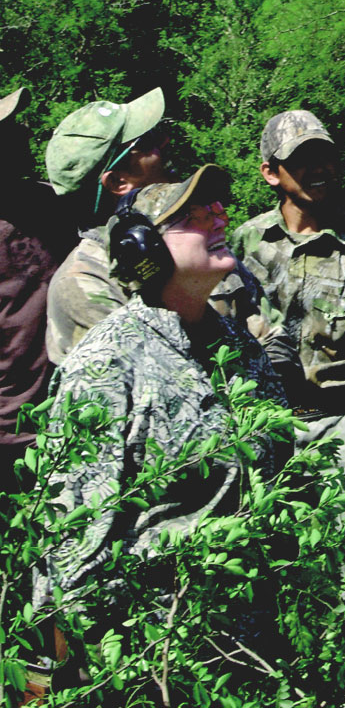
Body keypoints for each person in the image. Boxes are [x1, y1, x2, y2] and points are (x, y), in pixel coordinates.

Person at [33, 165, 290, 634]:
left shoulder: (237, 345)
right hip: (156, 646)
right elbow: (74, 542)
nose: (218, 216)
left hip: (249, 630)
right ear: (145, 251)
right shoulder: (107, 364)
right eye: (192, 214)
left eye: (215, 205)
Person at [230, 110, 345, 491]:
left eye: (325, 157)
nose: (318, 169)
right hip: (263, 431)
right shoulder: (245, 244)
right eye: (301, 160)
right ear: (271, 172)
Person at [42, 88, 177, 365]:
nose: (165, 142)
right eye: (148, 141)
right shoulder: (83, 284)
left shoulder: (192, 235)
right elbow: (159, 383)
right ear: (117, 183)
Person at [0, 87, 72, 494]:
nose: (24, 132)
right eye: (8, 130)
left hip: (67, 422)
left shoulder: (51, 204)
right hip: (8, 437)